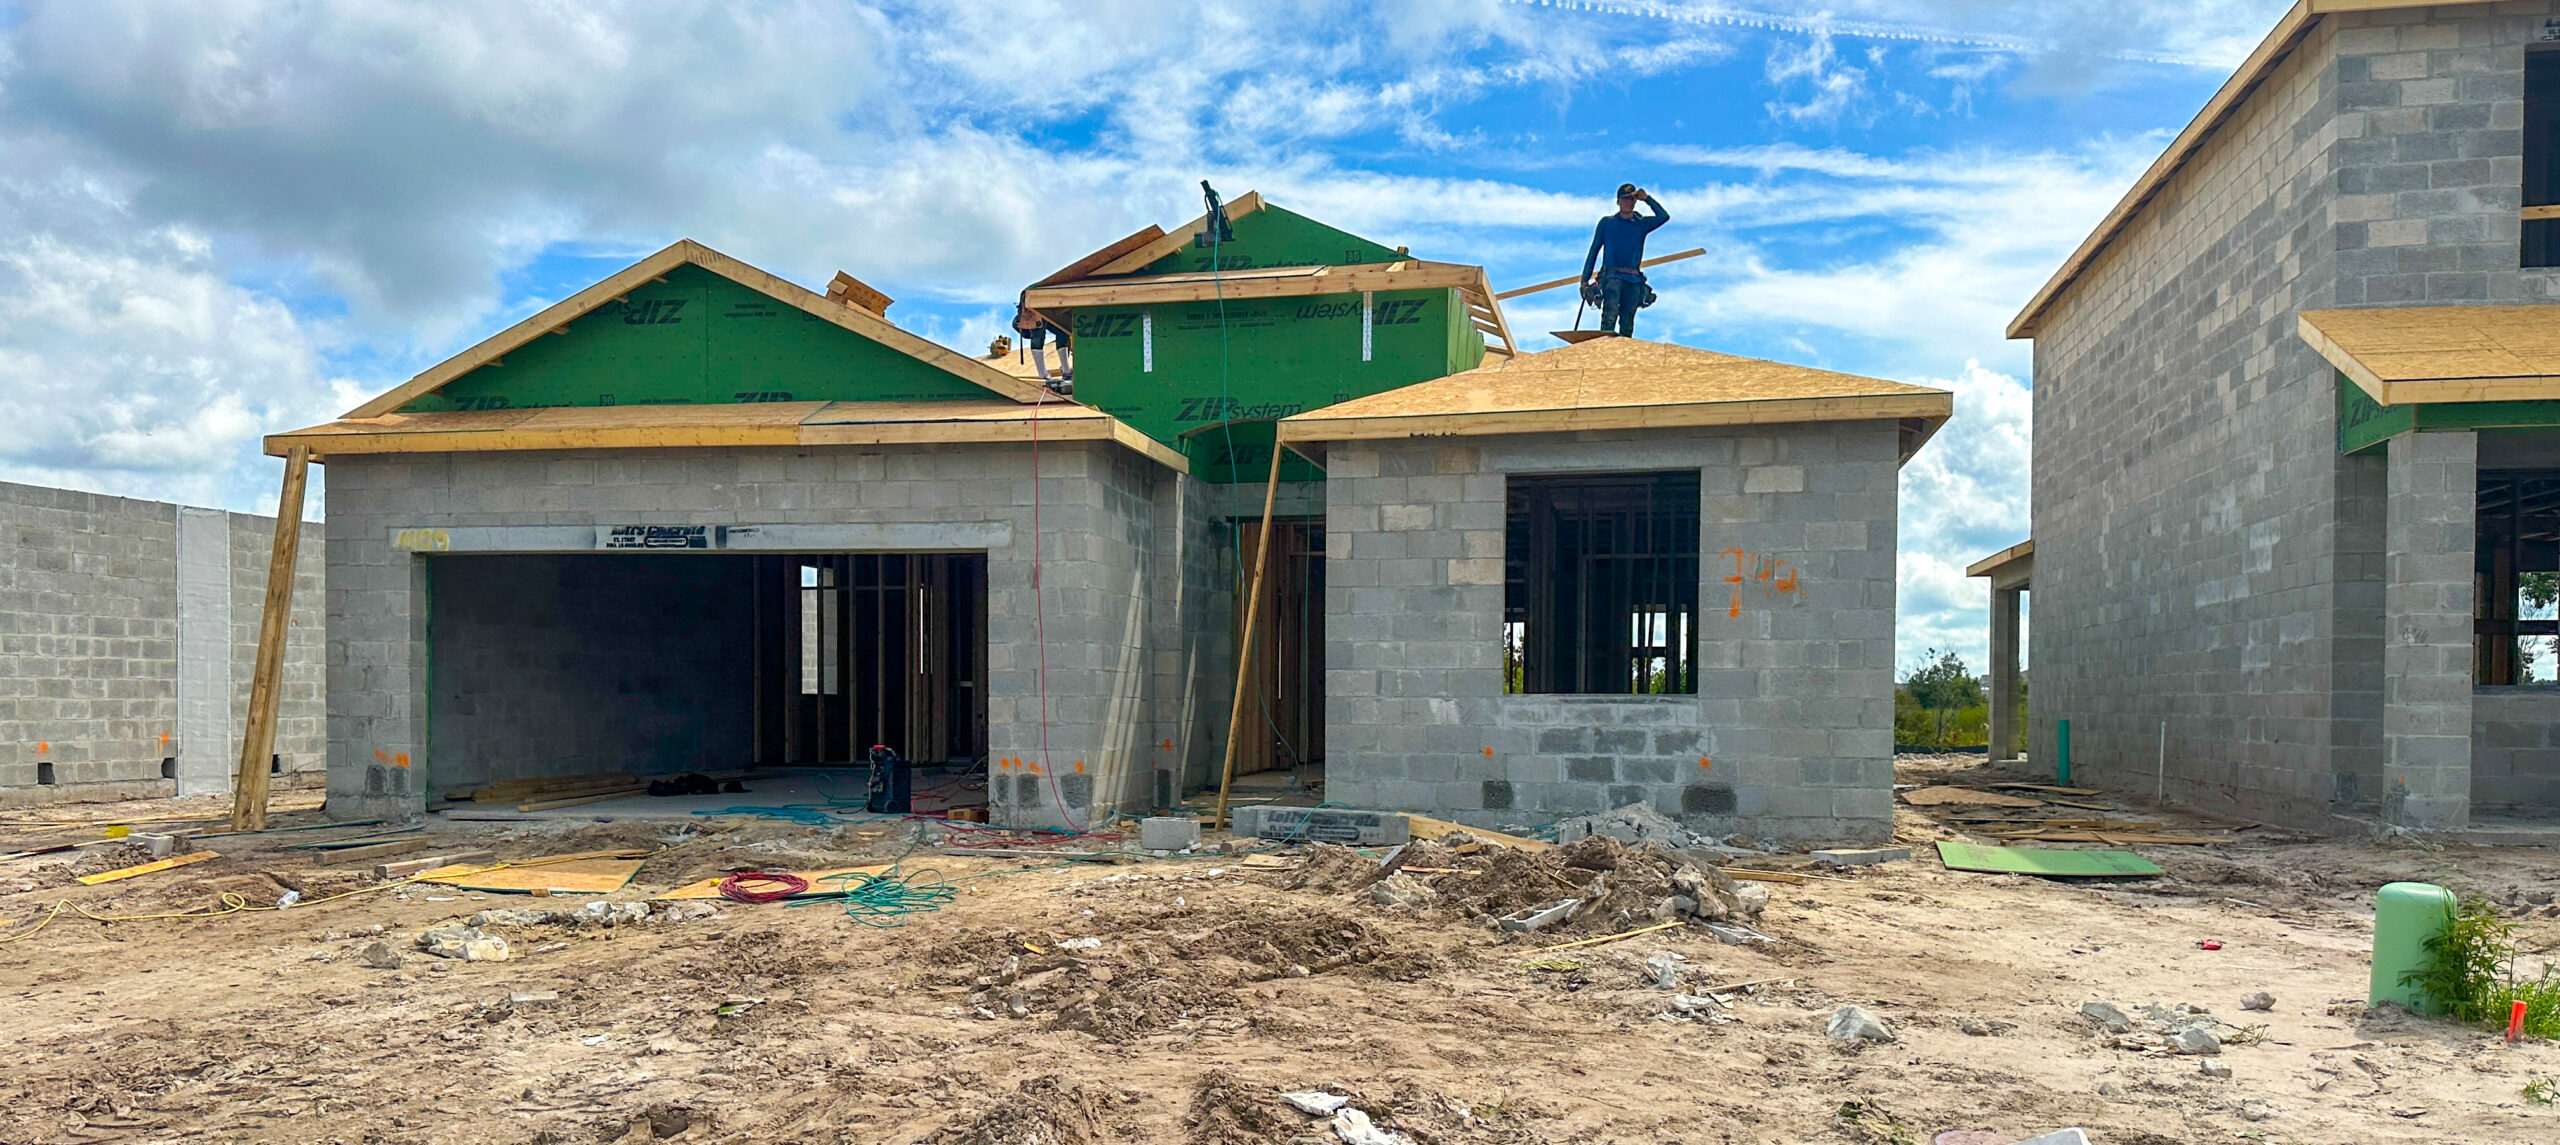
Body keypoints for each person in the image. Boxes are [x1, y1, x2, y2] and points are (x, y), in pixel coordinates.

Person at [1580, 183, 1669, 338]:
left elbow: (1663, 216)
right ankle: (1604, 350)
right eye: (1624, 199)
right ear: (1618, 201)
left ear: (1635, 202)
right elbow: (1593, 251)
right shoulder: (1607, 223)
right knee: (1610, 316)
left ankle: (1622, 356)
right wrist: (1584, 280)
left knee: (1627, 324)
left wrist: (1647, 199)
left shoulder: (1641, 223)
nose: (1628, 202)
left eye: (1631, 199)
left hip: (1633, 279)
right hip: (1612, 277)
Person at [1012, 297, 1072, 390]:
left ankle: (1066, 371)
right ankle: (1043, 374)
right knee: (1038, 333)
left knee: (1063, 330)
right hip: (1036, 309)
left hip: (1051, 306)